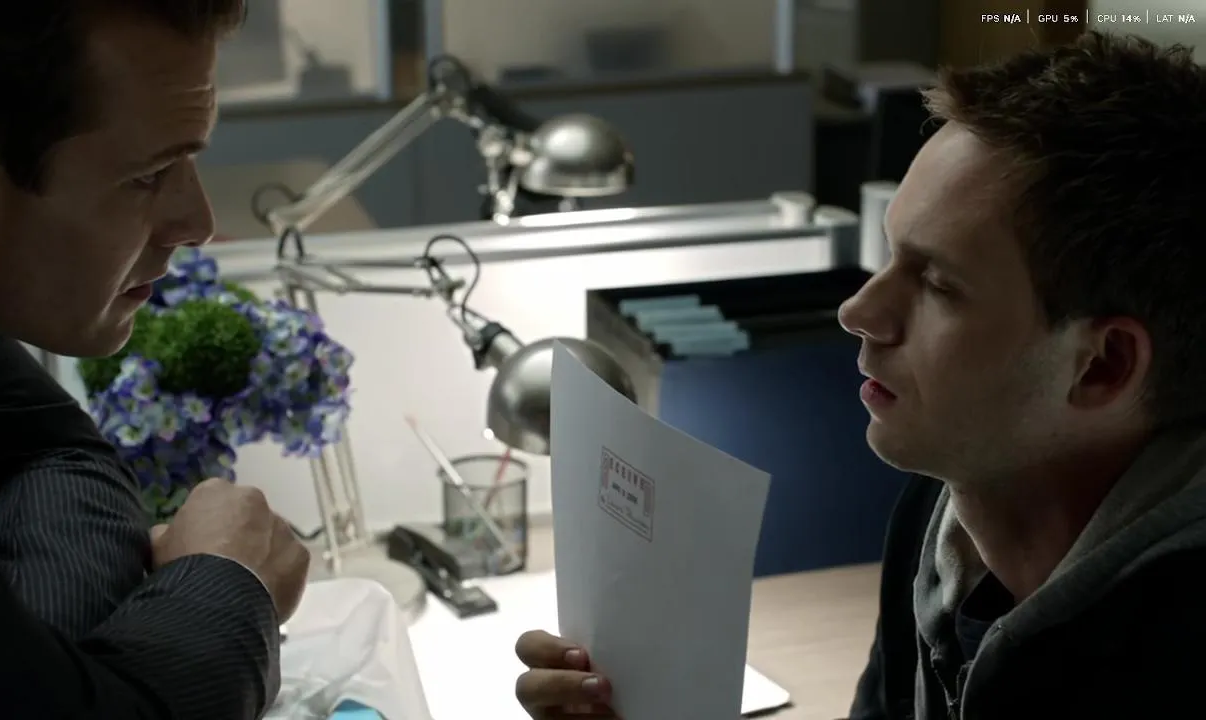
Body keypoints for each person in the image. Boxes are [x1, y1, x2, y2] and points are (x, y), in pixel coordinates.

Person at [511, 30, 1206, 719]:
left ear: (1103, 367)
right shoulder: (942, 515)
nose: (858, 311)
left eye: (938, 284)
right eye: (891, 254)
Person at [0, 2, 310, 718]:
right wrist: (226, 581)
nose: (198, 223)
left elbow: (56, 455)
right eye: (149, 175)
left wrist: (50, 677)